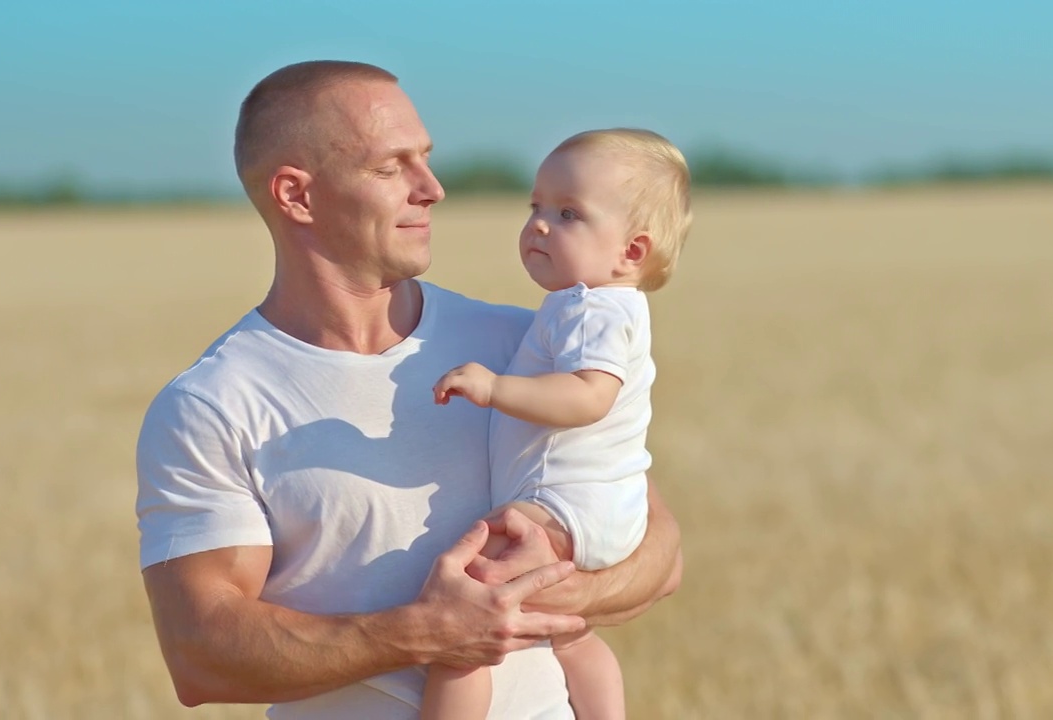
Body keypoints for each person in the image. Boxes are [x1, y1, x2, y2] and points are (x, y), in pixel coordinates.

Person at [134, 60, 683, 720]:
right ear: (296, 196)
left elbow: (660, 553)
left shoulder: (525, 344)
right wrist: (425, 631)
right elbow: (200, 654)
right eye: (393, 167)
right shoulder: (211, 406)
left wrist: (552, 586)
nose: (433, 188)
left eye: (426, 159)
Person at [423, 129, 691, 719]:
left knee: (460, 628)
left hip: (564, 503)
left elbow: (590, 397)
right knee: (570, 635)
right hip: (606, 508)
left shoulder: (591, 307)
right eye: (536, 207)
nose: (540, 224)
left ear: (632, 252)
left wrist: (495, 389)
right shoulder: (600, 305)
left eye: (569, 213)